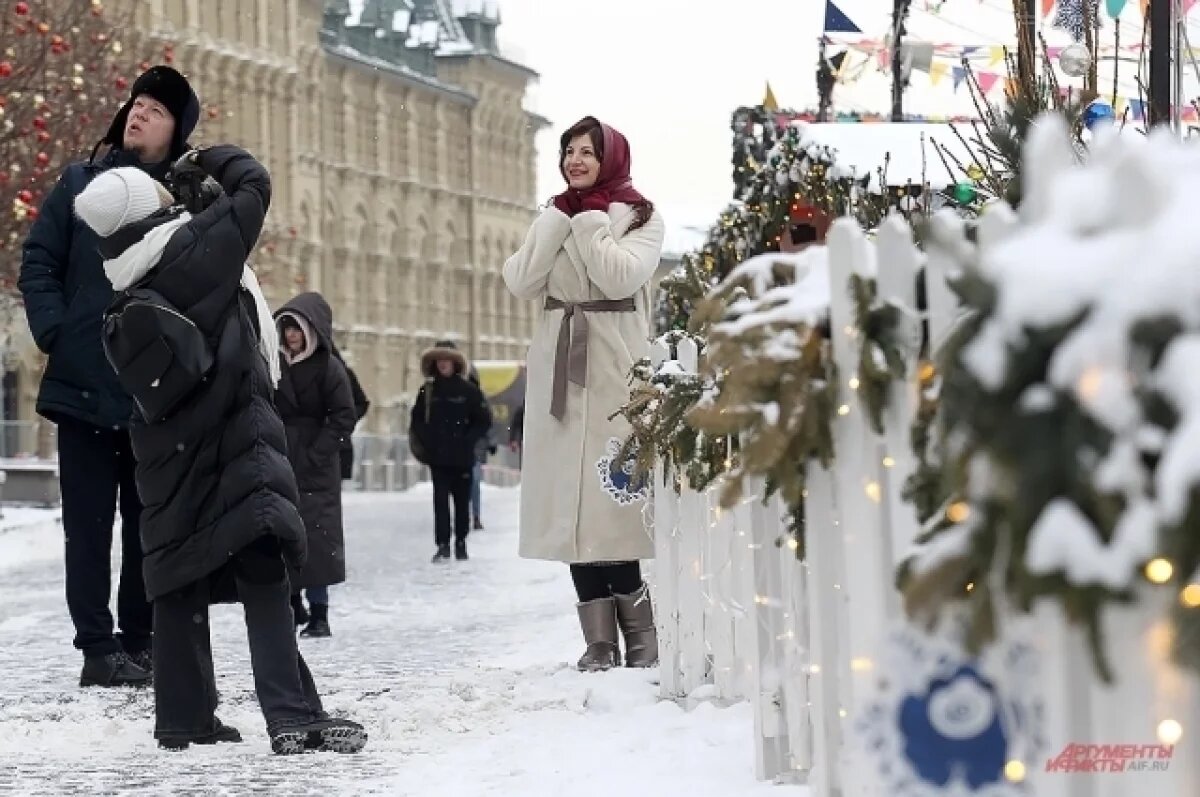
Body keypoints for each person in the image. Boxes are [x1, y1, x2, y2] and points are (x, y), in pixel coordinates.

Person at [72, 147, 367, 754]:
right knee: (263, 570)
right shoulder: (197, 250)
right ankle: (292, 714)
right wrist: (207, 157)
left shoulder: (126, 273)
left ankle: (185, 719)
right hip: (233, 437)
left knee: (179, 578)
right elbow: (255, 184)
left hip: (168, 450)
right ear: (145, 209)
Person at [18, 65, 202, 688]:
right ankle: (98, 649)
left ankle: (140, 641)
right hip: (82, 385)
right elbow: (39, 260)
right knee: (88, 530)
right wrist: (58, 331)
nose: (139, 112)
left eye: (157, 109)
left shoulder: (185, 202)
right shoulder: (81, 183)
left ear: (177, 131)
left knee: (150, 525)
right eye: (137, 103)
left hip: (155, 396)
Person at [502, 116, 666, 672]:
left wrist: (590, 219)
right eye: (569, 151)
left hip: (616, 369)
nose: (576, 160)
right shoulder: (552, 215)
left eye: (588, 152)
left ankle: (641, 635)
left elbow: (620, 278)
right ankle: (599, 641)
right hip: (558, 370)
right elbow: (521, 280)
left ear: (609, 158)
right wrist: (556, 222)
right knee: (568, 507)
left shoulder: (640, 216)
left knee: (611, 503)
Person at [274, 293, 357, 639]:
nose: (291, 335)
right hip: (280, 458)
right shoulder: (272, 363)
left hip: (316, 465)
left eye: (297, 328)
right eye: (286, 328)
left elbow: (344, 416)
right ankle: (293, 604)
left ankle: (319, 612)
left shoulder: (328, 367)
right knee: (282, 533)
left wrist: (317, 453)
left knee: (318, 539)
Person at [409, 340, 492, 562]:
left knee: (462, 503)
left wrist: (468, 440)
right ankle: (443, 545)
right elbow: (417, 420)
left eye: (447, 360)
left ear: (455, 363)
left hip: (462, 458)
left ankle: (461, 542)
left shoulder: (469, 391)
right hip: (438, 458)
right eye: (439, 360)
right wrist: (428, 442)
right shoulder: (428, 391)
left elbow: (483, 420)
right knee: (440, 503)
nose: (443, 364)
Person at [465, 369, 496, 530]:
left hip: (475, 447)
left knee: (473, 482)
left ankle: (474, 516)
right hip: (462, 448)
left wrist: (491, 442)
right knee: (468, 484)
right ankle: (466, 515)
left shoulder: (480, 398)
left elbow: (487, 421)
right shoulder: (459, 396)